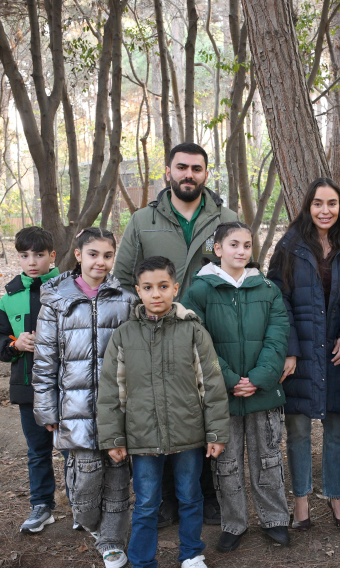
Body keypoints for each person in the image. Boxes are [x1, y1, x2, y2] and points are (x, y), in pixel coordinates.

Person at [113, 141, 237, 527]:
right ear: (168, 172)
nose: (189, 175)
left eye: (196, 169)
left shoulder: (225, 218)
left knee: (201, 407)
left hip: (211, 330)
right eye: (181, 167)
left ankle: (207, 495)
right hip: (156, 332)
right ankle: (166, 499)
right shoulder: (142, 220)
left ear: (206, 173)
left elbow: (242, 268)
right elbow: (123, 277)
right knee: (161, 408)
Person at [97, 256, 230, 568]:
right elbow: (111, 390)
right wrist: (114, 438)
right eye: (148, 288)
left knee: (190, 496)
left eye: (163, 286)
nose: (156, 294)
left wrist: (216, 431)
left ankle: (191, 556)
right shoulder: (124, 335)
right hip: (142, 439)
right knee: (146, 504)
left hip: (188, 435)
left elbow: (211, 384)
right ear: (138, 291)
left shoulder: (193, 331)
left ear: (175, 288)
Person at [181, 221, 291, 552]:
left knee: (268, 458)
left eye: (246, 245)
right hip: (221, 396)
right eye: (233, 244)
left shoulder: (267, 289)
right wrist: (228, 379)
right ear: (218, 249)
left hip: (263, 393)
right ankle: (233, 523)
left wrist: (259, 377)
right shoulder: (199, 291)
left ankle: (275, 519)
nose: (241, 251)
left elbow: (277, 335)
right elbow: (197, 342)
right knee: (226, 464)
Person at [267, 177, 340, 532]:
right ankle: (301, 500)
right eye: (318, 203)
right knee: (297, 431)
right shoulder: (289, 246)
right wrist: (290, 350)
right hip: (301, 352)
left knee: (339, 427)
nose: (325, 210)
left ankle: (337, 496)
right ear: (308, 207)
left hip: (337, 351)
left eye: (332, 203)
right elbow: (278, 300)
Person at [33, 227, 134, 568]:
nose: (100, 262)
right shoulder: (56, 300)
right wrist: (47, 409)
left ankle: (111, 540)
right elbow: (45, 359)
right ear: (78, 255)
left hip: (115, 408)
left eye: (107, 255)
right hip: (73, 409)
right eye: (93, 254)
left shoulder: (125, 299)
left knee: (118, 475)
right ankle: (91, 521)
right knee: (87, 476)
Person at [0, 226, 61, 534]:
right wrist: (15, 345)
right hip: (29, 389)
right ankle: (42, 506)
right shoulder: (10, 298)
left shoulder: (68, 289)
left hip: (68, 388)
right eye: (24, 255)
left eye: (39, 255)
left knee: (75, 450)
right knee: (38, 451)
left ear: (52, 256)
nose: (32, 262)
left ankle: (85, 507)